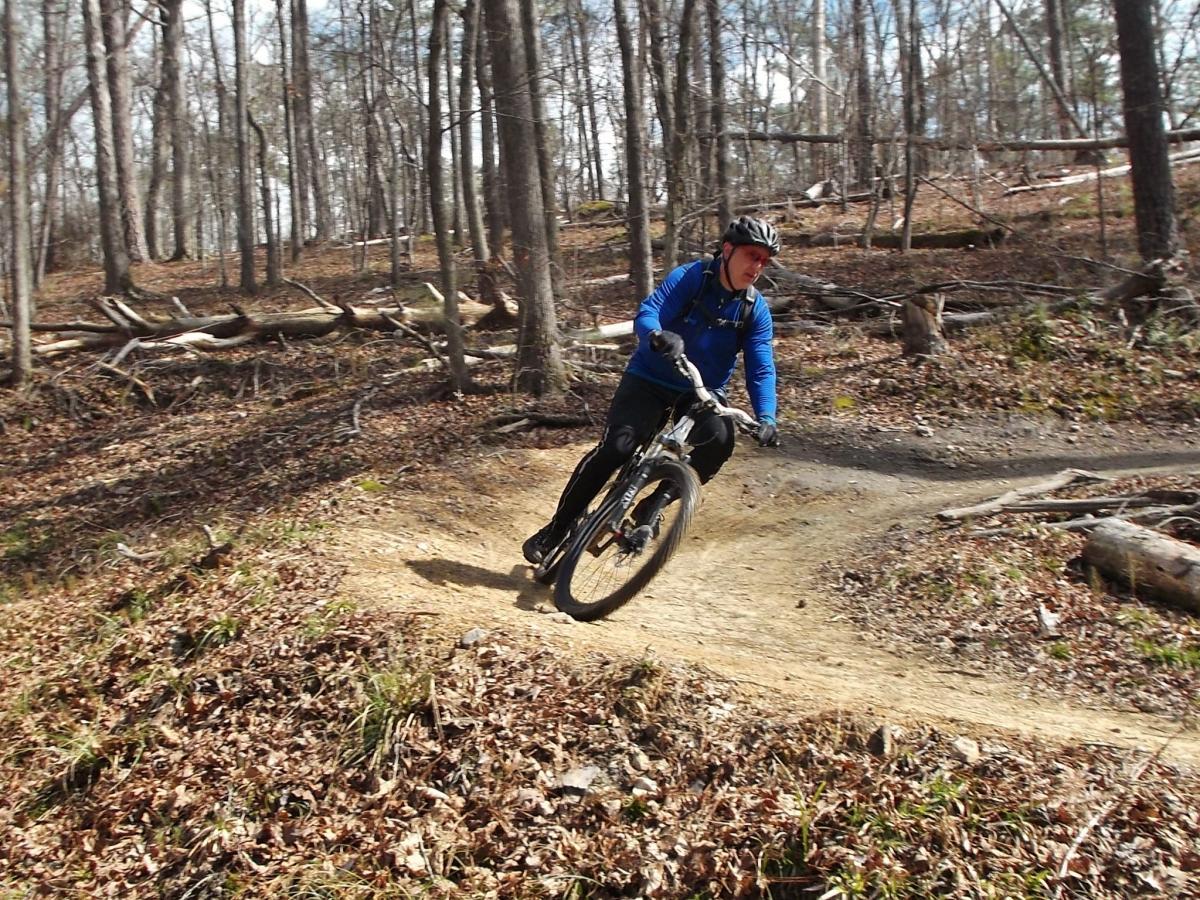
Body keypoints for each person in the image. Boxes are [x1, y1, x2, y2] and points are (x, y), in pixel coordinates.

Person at [523, 215, 782, 565]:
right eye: (752, 255)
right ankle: (556, 530)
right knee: (616, 448)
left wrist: (767, 416)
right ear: (727, 250)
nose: (757, 266)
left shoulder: (754, 309)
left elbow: (761, 366)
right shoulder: (692, 277)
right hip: (650, 378)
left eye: (764, 260)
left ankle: (653, 505)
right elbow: (649, 311)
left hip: (700, 393)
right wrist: (658, 336)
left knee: (719, 442)